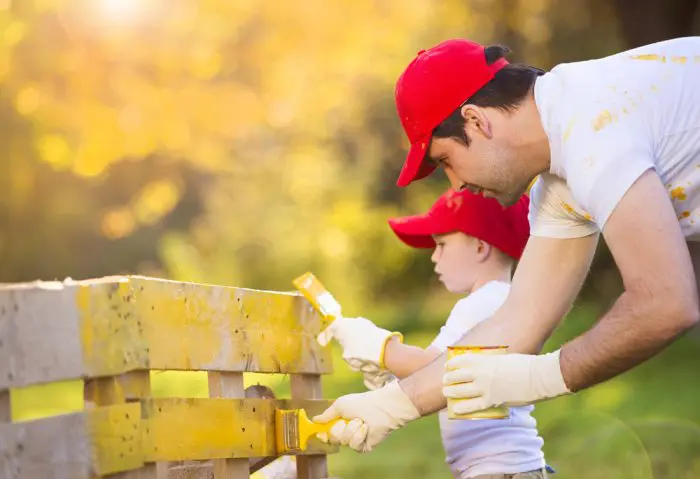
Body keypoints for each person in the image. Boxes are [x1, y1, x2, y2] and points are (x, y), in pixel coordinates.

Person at [314, 37, 700, 453]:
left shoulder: (591, 128)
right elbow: (516, 323)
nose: (457, 185)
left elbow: (665, 304)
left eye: (445, 160)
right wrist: (388, 406)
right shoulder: (560, 181)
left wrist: (544, 376)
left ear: (476, 121)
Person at [320, 188, 550, 478]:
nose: (434, 257)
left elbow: (438, 368)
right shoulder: (500, 300)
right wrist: (391, 375)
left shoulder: (485, 303)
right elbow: (437, 377)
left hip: (497, 470)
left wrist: (376, 345)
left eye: (441, 245)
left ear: (481, 247)